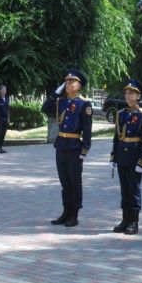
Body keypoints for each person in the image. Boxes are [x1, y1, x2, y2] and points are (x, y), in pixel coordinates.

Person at [41, 68, 93, 227]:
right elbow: (45, 109)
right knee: (65, 182)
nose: (69, 84)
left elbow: (87, 131)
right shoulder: (61, 101)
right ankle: (65, 211)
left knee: (74, 182)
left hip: (75, 148)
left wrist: (84, 150)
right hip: (61, 146)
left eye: (72, 82)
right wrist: (55, 93)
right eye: (67, 82)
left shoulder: (84, 104)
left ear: (79, 86)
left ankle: (74, 214)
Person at [109, 78, 142, 235]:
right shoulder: (120, 114)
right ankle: (125, 219)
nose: (128, 96)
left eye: (131, 93)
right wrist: (113, 158)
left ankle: (134, 222)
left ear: (138, 96)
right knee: (124, 190)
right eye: (126, 93)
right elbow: (116, 137)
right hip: (122, 156)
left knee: (134, 190)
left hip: (135, 156)